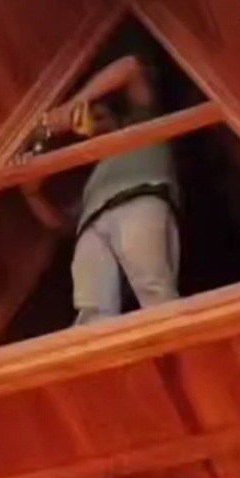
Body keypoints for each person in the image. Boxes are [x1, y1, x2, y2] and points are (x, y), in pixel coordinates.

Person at [25, 56, 181, 325]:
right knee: (92, 314)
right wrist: (32, 194)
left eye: (99, 116)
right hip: (93, 225)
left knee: (154, 291)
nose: (92, 125)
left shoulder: (142, 122)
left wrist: (73, 106)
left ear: (116, 115)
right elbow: (60, 225)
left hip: (139, 199)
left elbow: (130, 67)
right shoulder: (94, 180)